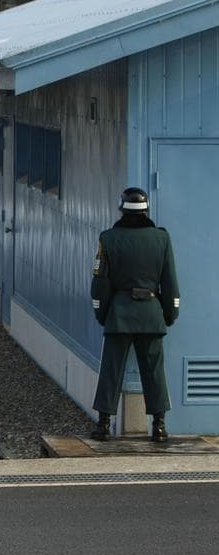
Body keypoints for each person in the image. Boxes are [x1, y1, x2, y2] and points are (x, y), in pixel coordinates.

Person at [90, 187, 179, 443]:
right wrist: (169, 314)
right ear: (146, 210)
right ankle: (159, 426)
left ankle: (103, 424)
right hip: (151, 313)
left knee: (111, 370)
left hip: (119, 313)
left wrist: (102, 312)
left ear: (122, 209)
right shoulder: (162, 239)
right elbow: (170, 281)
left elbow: (100, 283)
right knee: (154, 371)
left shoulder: (108, 239)